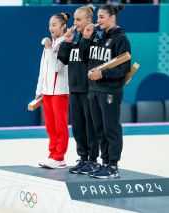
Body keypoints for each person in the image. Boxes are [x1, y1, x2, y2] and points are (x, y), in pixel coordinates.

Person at [80, 3, 131, 178]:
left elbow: (123, 69)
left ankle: (113, 166)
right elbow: (84, 58)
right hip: (94, 90)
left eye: (102, 17)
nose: (98, 20)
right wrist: (86, 39)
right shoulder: (98, 37)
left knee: (111, 128)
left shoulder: (121, 40)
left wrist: (102, 74)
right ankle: (104, 163)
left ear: (112, 17)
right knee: (99, 129)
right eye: (98, 17)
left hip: (109, 91)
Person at [57, 4, 99, 175]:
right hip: (74, 87)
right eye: (74, 19)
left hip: (88, 89)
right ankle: (82, 158)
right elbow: (63, 59)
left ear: (89, 20)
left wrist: (86, 38)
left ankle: (92, 160)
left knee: (90, 127)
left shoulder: (95, 37)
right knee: (78, 127)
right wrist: (67, 42)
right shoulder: (73, 38)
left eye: (78, 19)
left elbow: (87, 56)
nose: (75, 22)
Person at [36, 12, 70, 169]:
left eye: (54, 25)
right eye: (50, 25)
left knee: (59, 125)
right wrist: (39, 89)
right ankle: (52, 155)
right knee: (50, 126)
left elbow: (57, 67)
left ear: (64, 26)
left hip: (60, 91)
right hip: (48, 91)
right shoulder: (50, 45)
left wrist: (49, 49)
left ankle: (59, 157)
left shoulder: (66, 44)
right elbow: (43, 70)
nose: (51, 28)